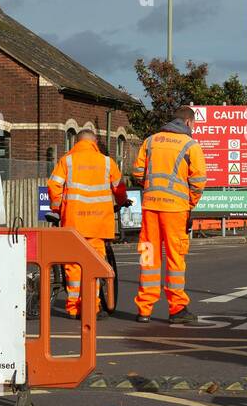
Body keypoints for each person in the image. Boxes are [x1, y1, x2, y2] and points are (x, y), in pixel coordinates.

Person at [132, 105, 207, 324]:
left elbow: (137, 172)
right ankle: (177, 309)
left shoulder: (150, 141)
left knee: (148, 255)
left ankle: (144, 309)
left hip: (150, 207)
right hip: (175, 209)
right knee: (175, 257)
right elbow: (199, 181)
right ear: (188, 123)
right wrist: (189, 203)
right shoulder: (191, 145)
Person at [47, 130, 126, 318]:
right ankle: (92, 306)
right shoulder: (107, 162)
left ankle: (74, 307)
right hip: (98, 224)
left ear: (77, 141)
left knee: (73, 265)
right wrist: (122, 200)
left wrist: (57, 207)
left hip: (74, 223)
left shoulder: (67, 161)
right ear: (94, 141)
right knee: (95, 264)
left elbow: (54, 185)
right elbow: (119, 187)